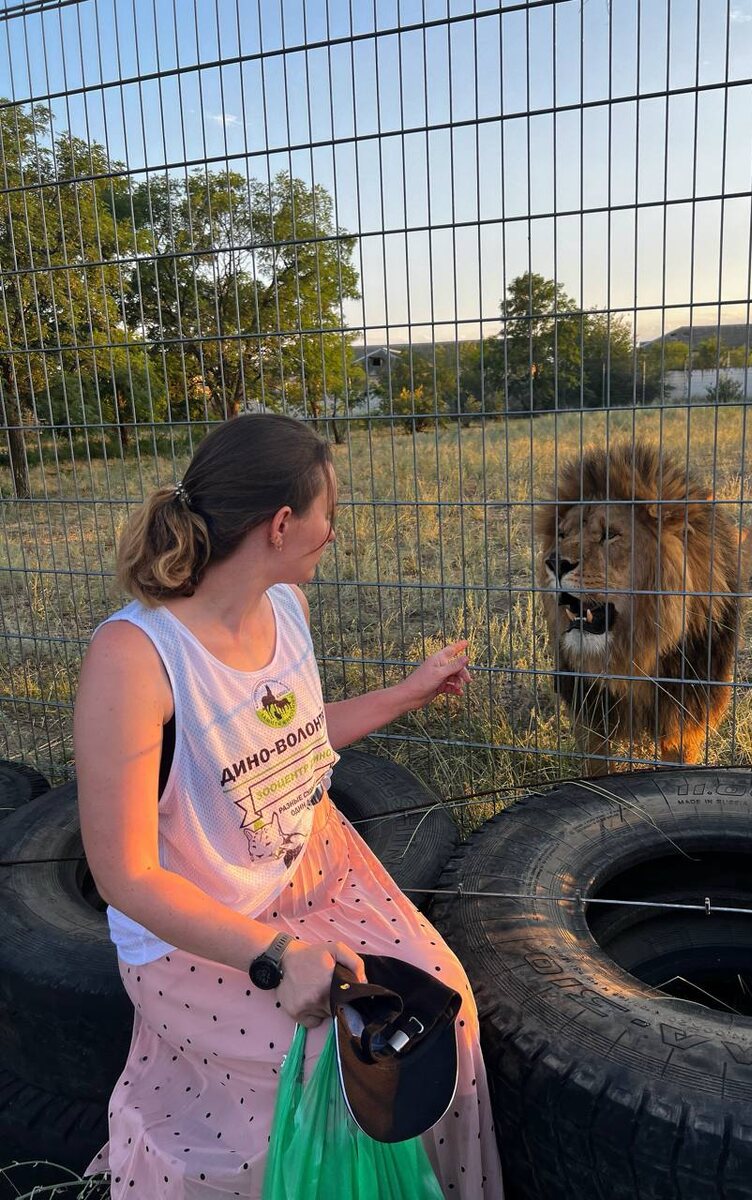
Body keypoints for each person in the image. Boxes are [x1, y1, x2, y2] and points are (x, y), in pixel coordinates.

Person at [75, 413, 503, 1199]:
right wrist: (271, 956)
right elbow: (124, 874)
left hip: (317, 868)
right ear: (280, 524)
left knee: (448, 1009)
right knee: (335, 1067)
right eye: (325, 513)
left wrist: (407, 692)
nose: (331, 531)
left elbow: (295, 741)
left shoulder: (286, 610)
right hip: (199, 927)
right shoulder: (134, 659)